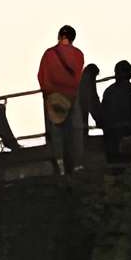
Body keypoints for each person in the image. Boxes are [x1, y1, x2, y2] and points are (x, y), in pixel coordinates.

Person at [38, 25, 87, 178]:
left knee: (57, 133)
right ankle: (77, 165)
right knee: (75, 131)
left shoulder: (49, 54)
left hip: (54, 97)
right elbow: (78, 77)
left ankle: (60, 166)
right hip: (72, 96)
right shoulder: (79, 54)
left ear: (59, 36)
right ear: (73, 38)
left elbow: (41, 76)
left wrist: (48, 93)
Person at [98, 59, 131, 169]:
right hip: (125, 133)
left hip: (111, 137)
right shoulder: (130, 89)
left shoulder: (109, 91)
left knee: (116, 168)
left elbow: (102, 115)